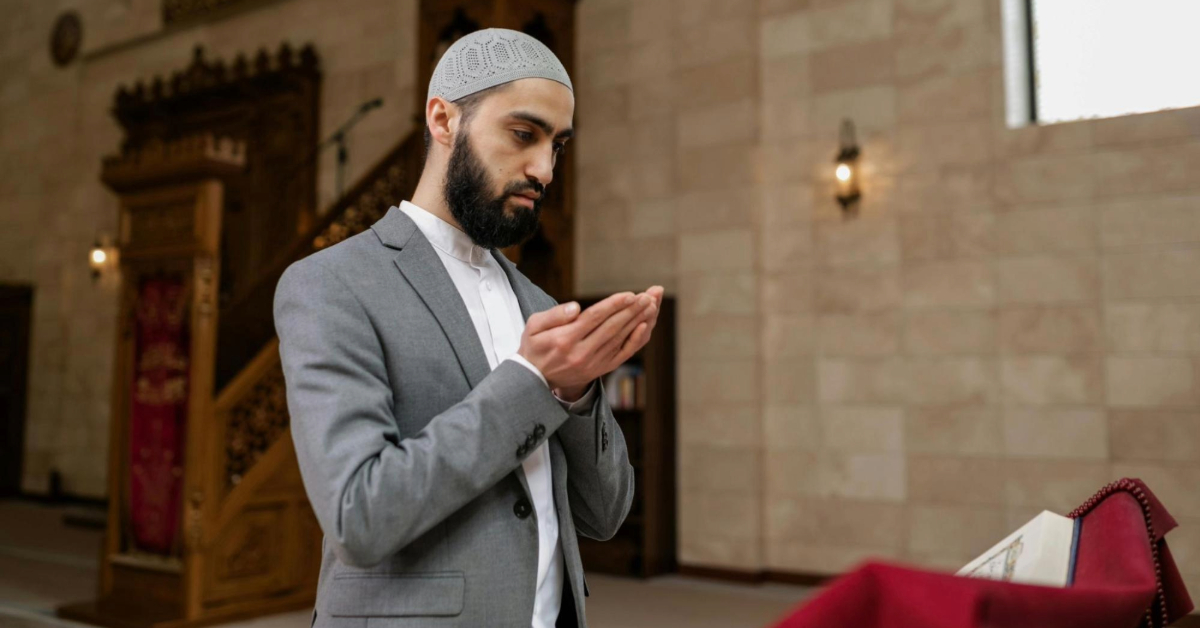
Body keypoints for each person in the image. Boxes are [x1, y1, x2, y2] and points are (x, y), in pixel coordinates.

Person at [274, 28, 662, 628]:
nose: (544, 169)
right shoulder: (332, 284)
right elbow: (359, 516)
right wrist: (534, 383)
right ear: (443, 119)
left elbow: (606, 515)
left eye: (557, 145)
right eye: (523, 134)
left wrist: (577, 392)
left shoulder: (539, 303)